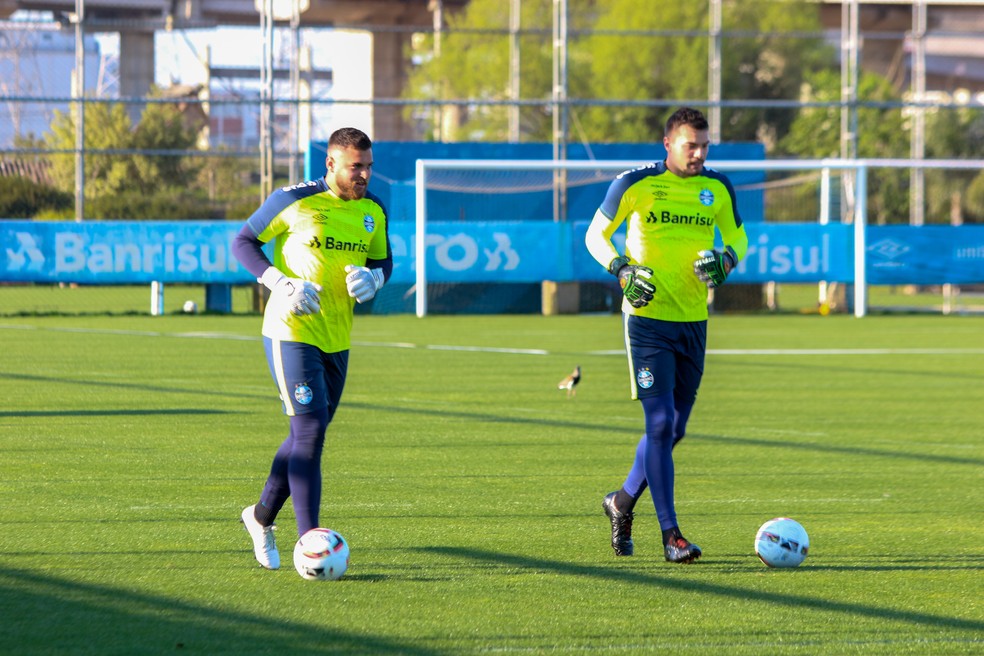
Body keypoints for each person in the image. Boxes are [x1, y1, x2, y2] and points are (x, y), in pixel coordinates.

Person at [585, 107, 748, 564]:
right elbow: (596, 236)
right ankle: (671, 535)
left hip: (694, 320)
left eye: (703, 145)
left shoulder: (716, 187)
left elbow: (740, 237)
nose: (698, 153)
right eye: (689, 145)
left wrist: (728, 258)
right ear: (668, 144)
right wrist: (621, 268)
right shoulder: (634, 184)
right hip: (647, 319)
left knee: (675, 429)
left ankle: (620, 502)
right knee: (657, 424)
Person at [231, 127, 392, 572]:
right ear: (331, 164)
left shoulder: (373, 210)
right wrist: (279, 282)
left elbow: (382, 260)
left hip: (338, 337)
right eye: (355, 166)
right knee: (311, 432)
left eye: (368, 166)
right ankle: (310, 543)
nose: (363, 174)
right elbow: (243, 242)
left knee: (307, 433)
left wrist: (376, 279)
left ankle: (260, 517)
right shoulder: (293, 199)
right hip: (290, 331)